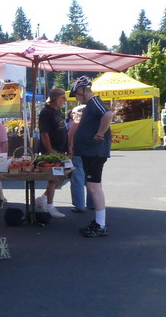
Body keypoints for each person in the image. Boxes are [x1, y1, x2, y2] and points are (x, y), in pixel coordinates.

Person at [70, 76, 114, 238]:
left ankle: (101, 225)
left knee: (94, 188)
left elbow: (108, 114)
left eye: (76, 94)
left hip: (94, 152)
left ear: (82, 90)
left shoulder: (94, 101)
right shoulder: (91, 104)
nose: (76, 97)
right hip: (91, 152)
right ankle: (99, 221)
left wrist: (99, 133)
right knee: (93, 187)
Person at [35, 88, 70, 219]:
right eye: (63, 98)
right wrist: (50, 150)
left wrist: (67, 147)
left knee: (58, 178)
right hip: (52, 151)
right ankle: (49, 205)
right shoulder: (46, 112)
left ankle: (43, 199)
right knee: (54, 178)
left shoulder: (57, 111)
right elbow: (44, 133)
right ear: (55, 98)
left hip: (59, 150)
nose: (65, 101)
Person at [66, 104, 92, 213]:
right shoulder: (93, 124)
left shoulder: (76, 124)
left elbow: (70, 139)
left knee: (77, 180)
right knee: (91, 180)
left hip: (78, 153)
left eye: (74, 113)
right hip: (91, 154)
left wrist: (70, 149)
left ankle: (79, 205)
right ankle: (93, 203)